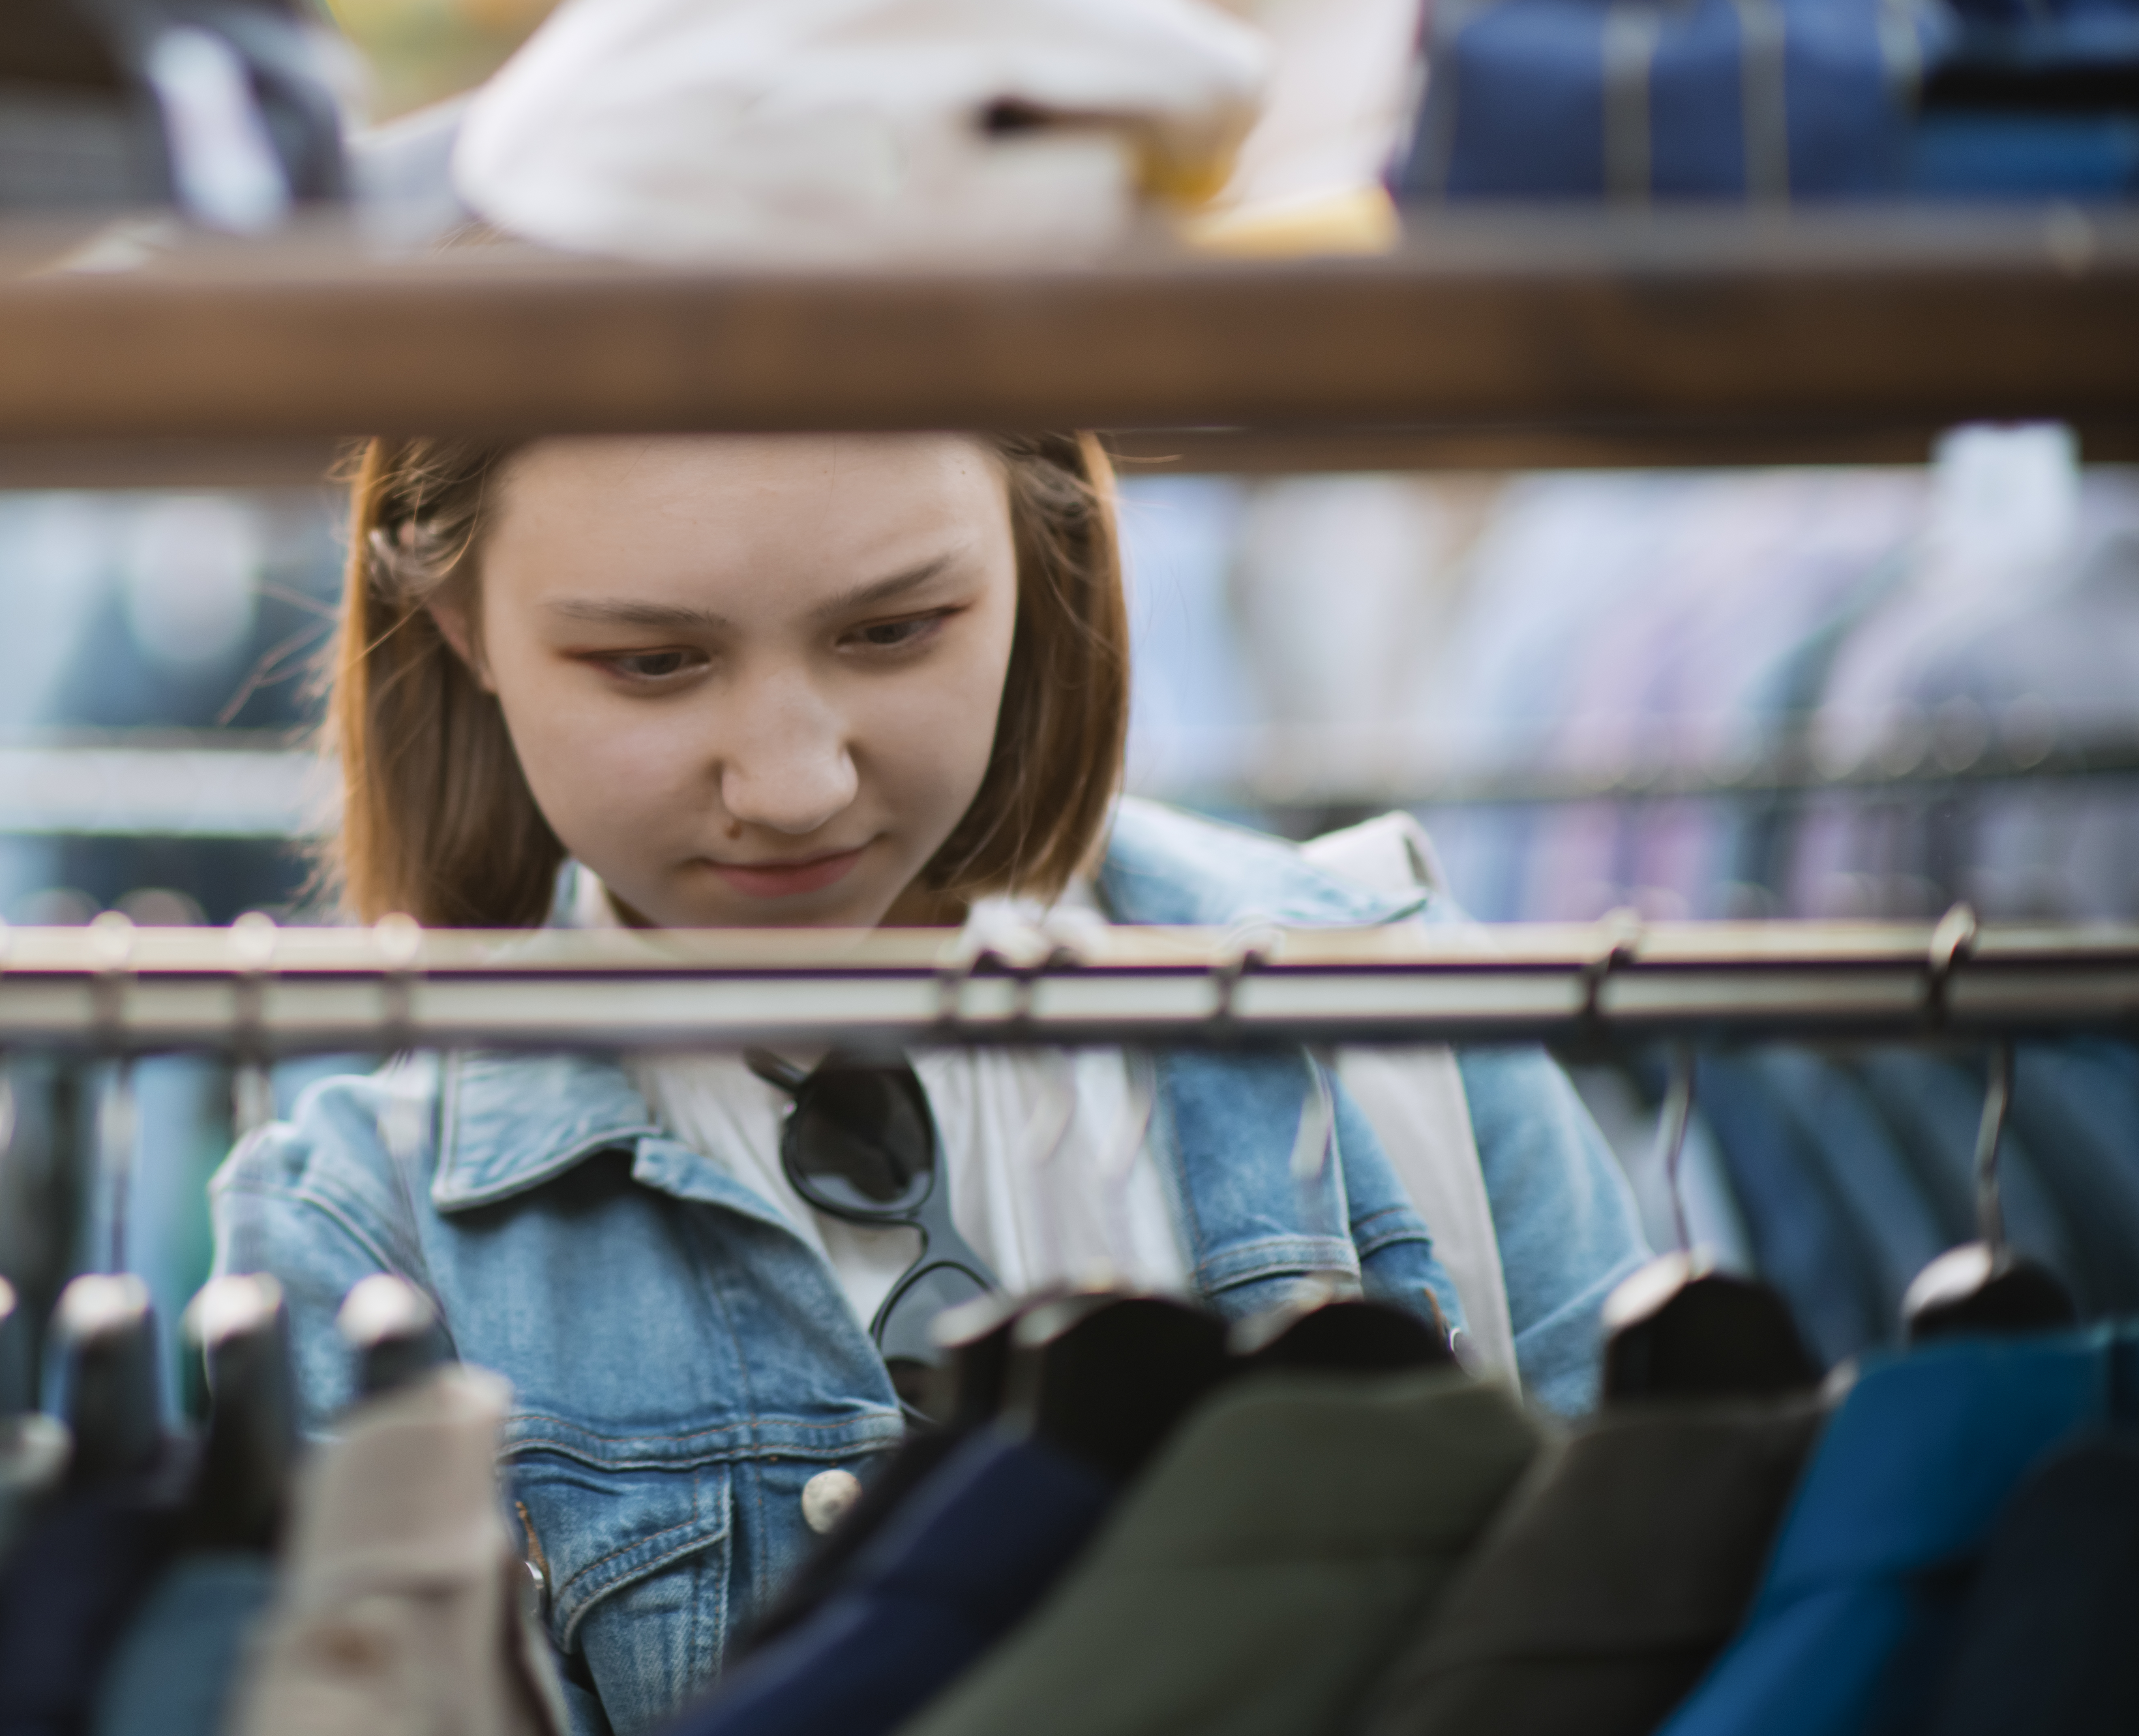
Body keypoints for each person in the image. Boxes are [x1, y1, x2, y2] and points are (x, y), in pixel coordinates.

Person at [212, 428, 1649, 1736]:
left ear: (1040, 558)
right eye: (651, 662)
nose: (794, 784)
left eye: (896, 632)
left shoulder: (1385, 1003)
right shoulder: (362, 1237)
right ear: (457, 623)